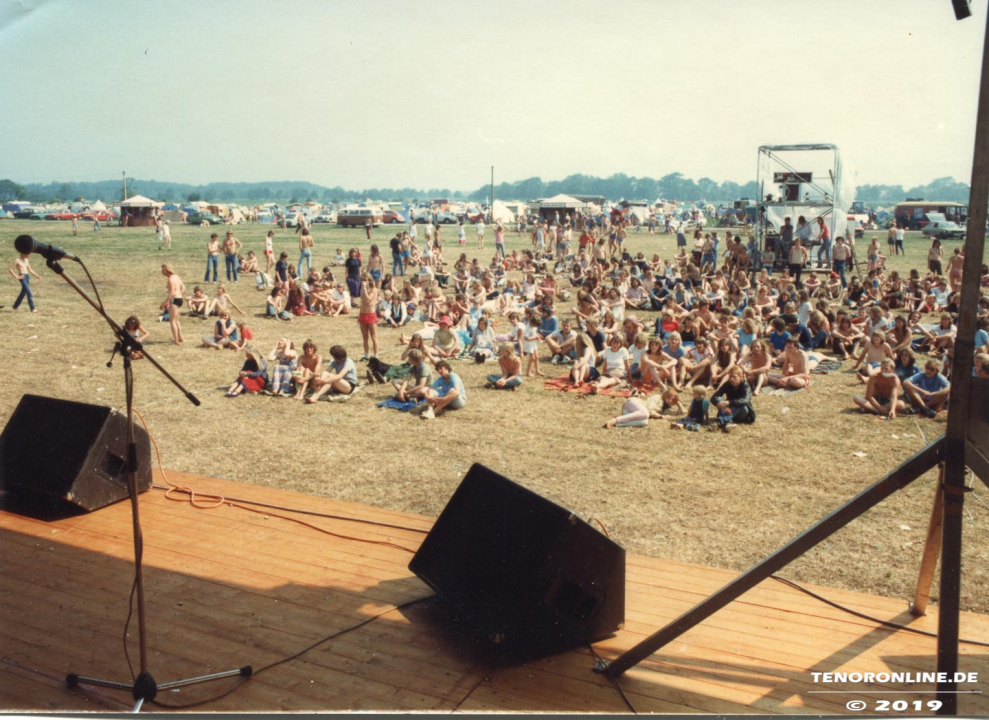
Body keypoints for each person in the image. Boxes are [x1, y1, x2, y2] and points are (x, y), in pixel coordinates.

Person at [710, 366, 756, 432]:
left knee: (739, 405)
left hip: (742, 412)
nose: (732, 379)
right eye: (730, 377)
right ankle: (729, 422)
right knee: (720, 399)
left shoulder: (745, 386)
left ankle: (719, 422)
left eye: (734, 377)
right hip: (729, 411)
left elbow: (745, 400)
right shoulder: (727, 384)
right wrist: (721, 404)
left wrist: (729, 403)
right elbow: (714, 397)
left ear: (740, 377)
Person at [9, 247, 42, 312]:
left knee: (23, 293)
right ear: (23, 253)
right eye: (28, 254)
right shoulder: (17, 260)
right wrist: (17, 277)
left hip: (27, 277)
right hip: (22, 277)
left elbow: (30, 270)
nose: (29, 255)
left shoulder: (26, 260)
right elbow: (10, 269)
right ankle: (33, 308)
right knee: (29, 293)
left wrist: (37, 276)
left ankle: (15, 306)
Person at [160, 264, 184, 344]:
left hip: (174, 300)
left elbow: (172, 293)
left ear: (166, 270)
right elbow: (183, 287)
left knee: (172, 320)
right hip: (180, 298)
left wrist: (164, 303)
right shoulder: (176, 276)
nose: (162, 272)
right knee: (176, 320)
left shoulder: (170, 279)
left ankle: (176, 340)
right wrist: (179, 294)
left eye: (163, 270)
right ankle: (180, 337)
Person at [358, 273, 379, 361]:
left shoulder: (374, 289)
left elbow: (368, 299)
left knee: (373, 336)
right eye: (362, 280)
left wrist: (365, 290)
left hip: (370, 314)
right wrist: (363, 289)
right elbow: (362, 299)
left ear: (369, 280)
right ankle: (366, 355)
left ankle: (376, 355)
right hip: (363, 313)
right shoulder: (363, 289)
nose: (363, 282)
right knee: (365, 337)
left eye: (365, 280)